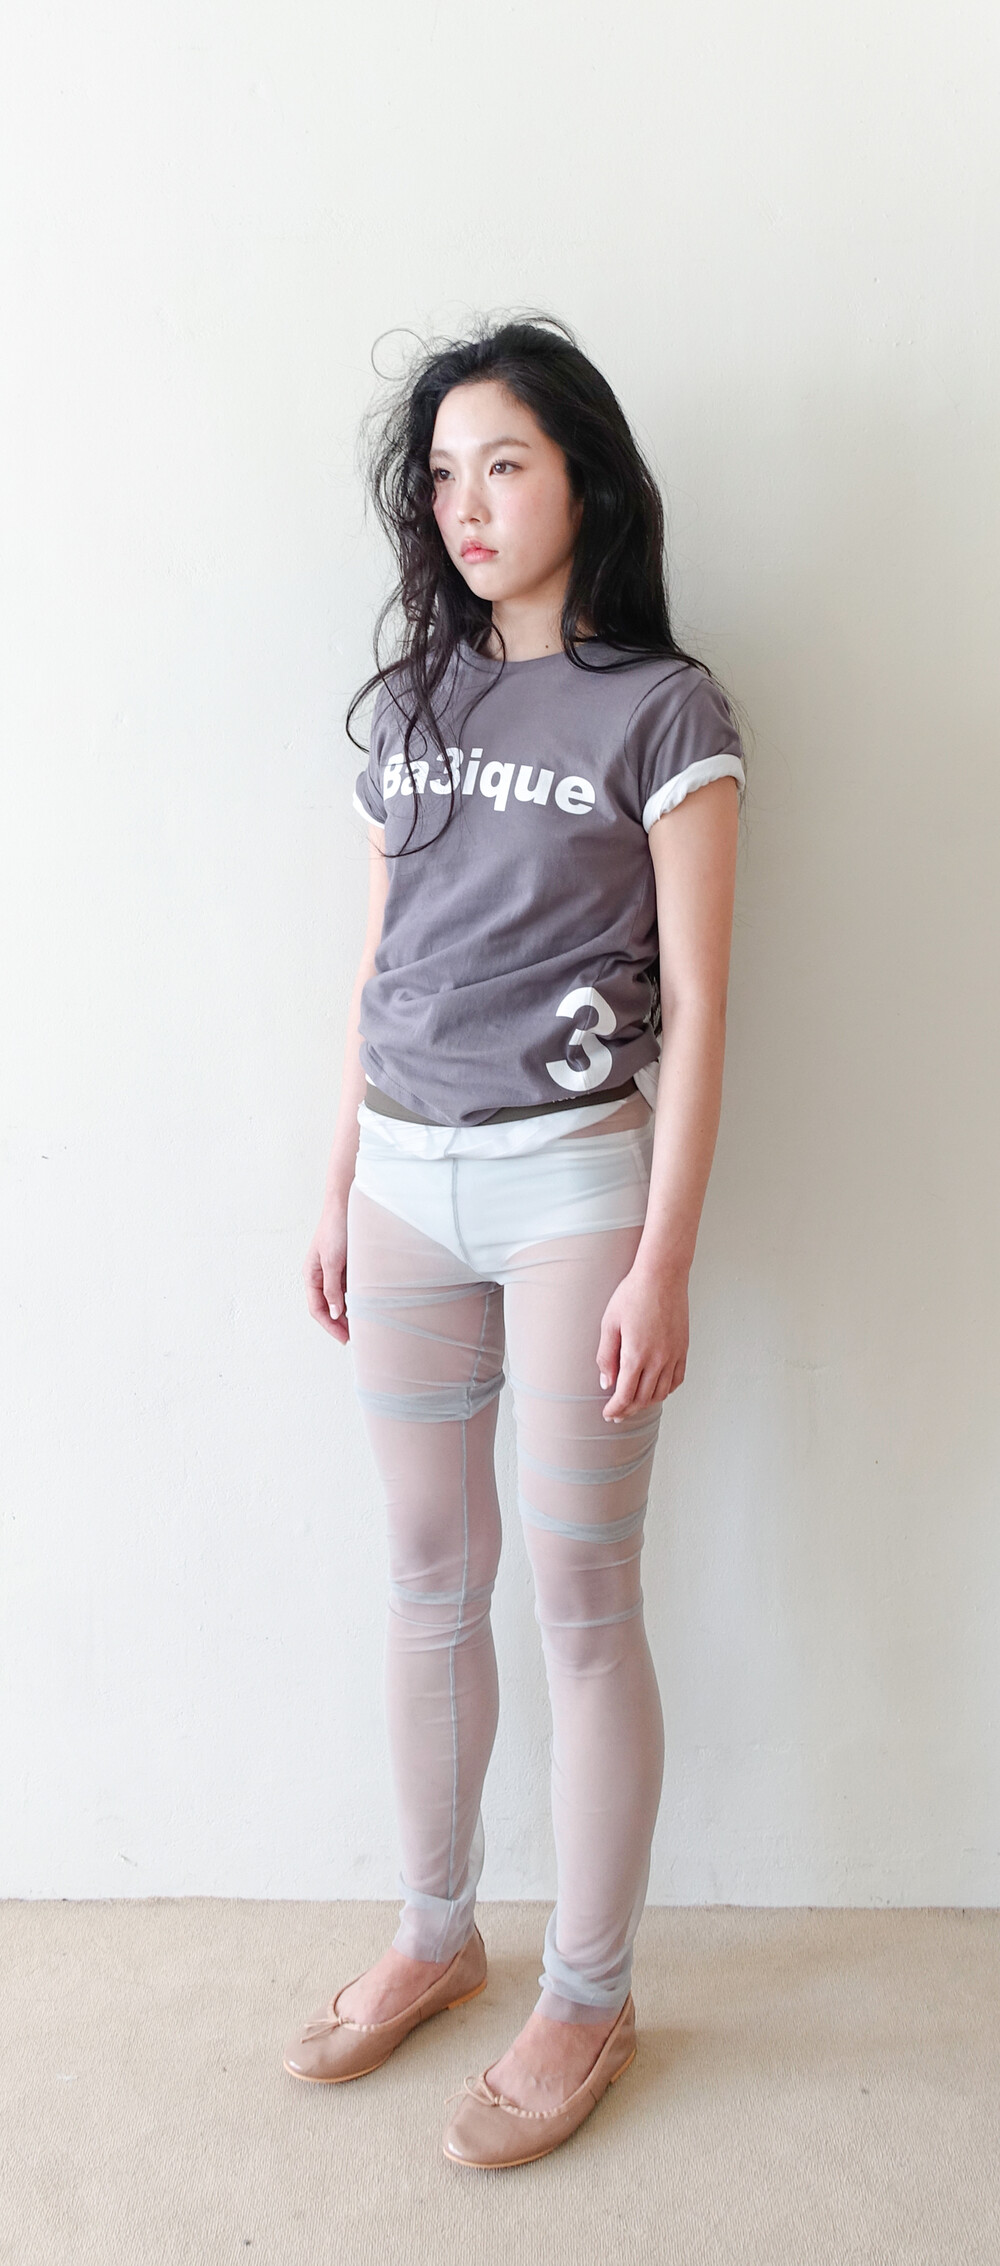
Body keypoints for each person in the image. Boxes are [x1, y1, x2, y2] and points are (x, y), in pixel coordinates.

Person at [283, 315, 747, 2169]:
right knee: (423, 1574)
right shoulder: (412, 706)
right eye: (445, 474)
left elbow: (701, 1010)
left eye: (507, 465)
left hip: (573, 1195)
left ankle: (591, 1988)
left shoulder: (667, 710)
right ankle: (433, 1933)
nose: (469, 504)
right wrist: (336, 1176)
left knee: (580, 1596)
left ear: (586, 483)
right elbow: (379, 967)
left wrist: (664, 1257)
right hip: (404, 1185)